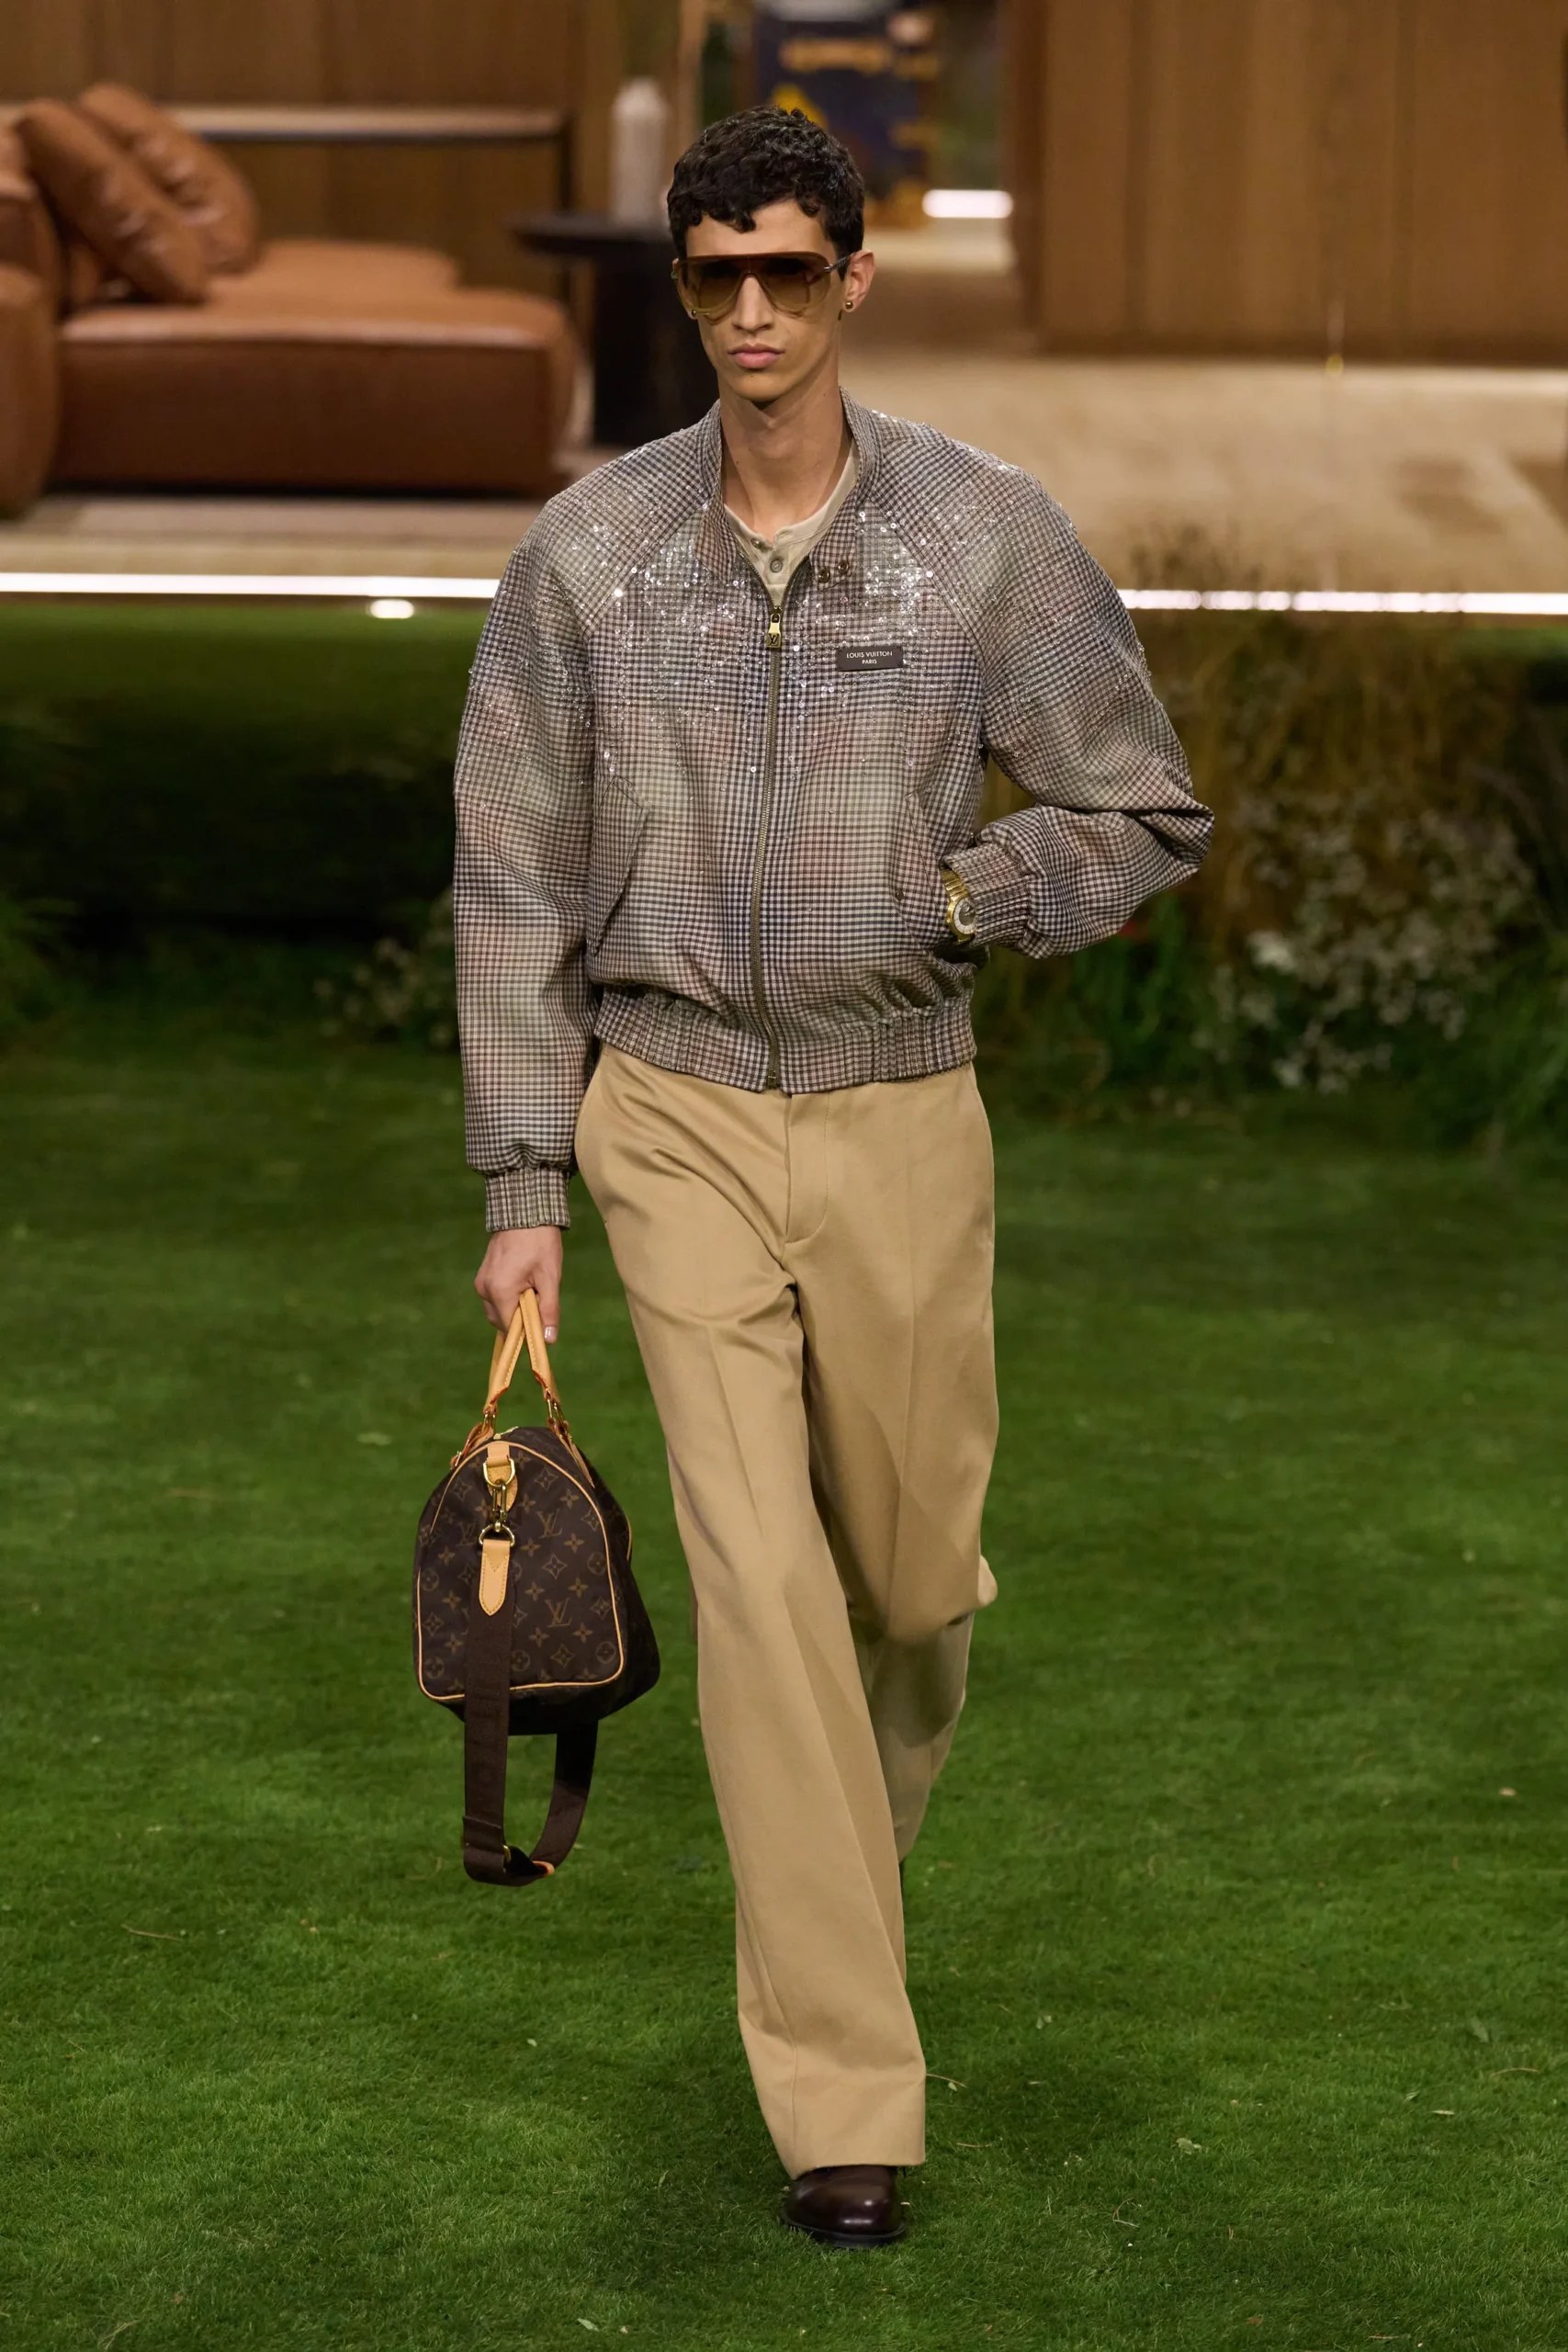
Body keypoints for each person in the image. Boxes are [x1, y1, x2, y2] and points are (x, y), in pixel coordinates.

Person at [453, 106, 1211, 2248]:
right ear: (682, 287)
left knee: (907, 1588)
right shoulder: (587, 556)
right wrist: (521, 1174)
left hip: (900, 1113)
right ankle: (843, 2100)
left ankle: (832, 1909)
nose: (755, 310)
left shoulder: (982, 537)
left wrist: (965, 890)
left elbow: (1142, 810)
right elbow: (507, 876)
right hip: (668, 1107)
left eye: (790, 269)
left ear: (852, 278)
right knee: (762, 1599)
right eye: (718, 276)